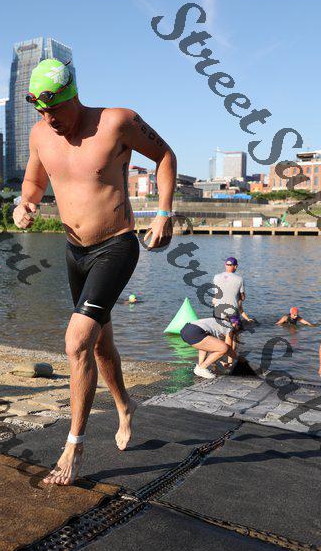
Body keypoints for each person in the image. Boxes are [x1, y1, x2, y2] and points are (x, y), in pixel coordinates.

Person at [13, 58, 177, 486]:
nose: (50, 120)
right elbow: (34, 183)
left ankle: (74, 444)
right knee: (101, 345)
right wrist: (24, 204)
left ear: (73, 96)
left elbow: (165, 156)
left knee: (76, 342)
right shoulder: (40, 134)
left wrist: (163, 213)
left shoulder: (117, 122)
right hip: (75, 252)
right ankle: (125, 405)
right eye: (41, 112)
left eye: (55, 110)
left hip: (116, 246)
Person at [180, 315, 240, 379]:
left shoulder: (217, 324)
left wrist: (221, 361)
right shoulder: (229, 327)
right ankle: (201, 368)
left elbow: (207, 347)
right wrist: (236, 360)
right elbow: (228, 348)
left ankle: (200, 366)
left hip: (185, 330)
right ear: (235, 323)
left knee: (205, 346)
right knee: (224, 347)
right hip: (195, 331)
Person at [212, 257, 252, 321]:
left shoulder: (216, 277)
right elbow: (242, 298)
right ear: (236, 266)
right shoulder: (240, 279)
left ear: (225, 265)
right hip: (232, 313)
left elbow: (214, 299)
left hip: (218, 313)